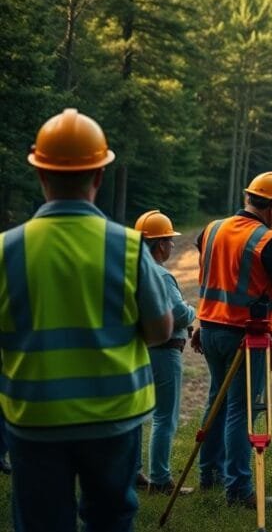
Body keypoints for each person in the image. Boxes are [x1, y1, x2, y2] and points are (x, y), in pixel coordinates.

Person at [0, 109, 172, 532]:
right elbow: (161, 331)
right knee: (110, 519)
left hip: (34, 419)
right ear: (99, 176)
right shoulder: (129, 248)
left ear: (41, 176)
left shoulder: (7, 250)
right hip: (112, 417)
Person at [193, 171, 272, 508]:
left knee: (217, 402)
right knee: (240, 411)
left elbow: (216, 267)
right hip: (245, 336)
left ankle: (208, 475)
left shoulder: (212, 229)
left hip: (209, 329)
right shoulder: (266, 241)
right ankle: (239, 489)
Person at [133, 210, 196, 495]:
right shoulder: (161, 274)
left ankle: (133, 471)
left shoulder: (134, 270)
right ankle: (160, 479)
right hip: (165, 351)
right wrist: (195, 310)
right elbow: (179, 314)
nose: (171, 246)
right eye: (170, 241)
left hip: (139, 350)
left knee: (136, 414)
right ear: (160, 245)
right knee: (164, 416)